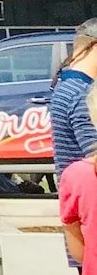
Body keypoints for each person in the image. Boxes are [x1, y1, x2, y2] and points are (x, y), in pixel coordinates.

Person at [50, 22, 97, 176]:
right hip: (90, 193)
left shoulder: (66, 84)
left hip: (75, 190)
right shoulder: (83, 93)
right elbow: (94, 154)